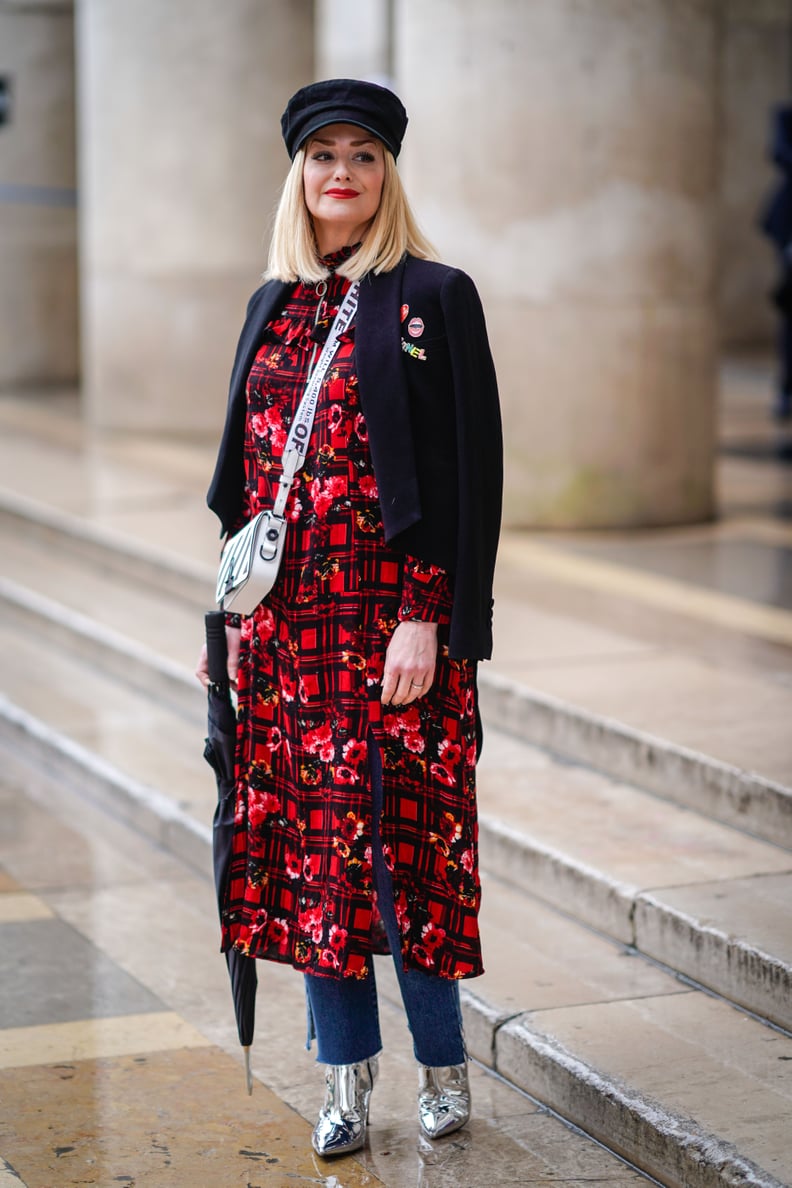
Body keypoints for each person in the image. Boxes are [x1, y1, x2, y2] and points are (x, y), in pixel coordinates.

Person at [196, 77, 502, 1158]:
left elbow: (469, 481)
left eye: (363, 157)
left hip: (392, 639)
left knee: (409, 855)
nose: (342, 175)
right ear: (299, 175)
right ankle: (342, 1079)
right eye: (323, 156)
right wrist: (230, 622)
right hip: (288, 642)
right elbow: (246, 491)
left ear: (388, 174)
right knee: (313, 865)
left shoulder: (434, 296)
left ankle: (441, 1065)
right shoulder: (269, 307)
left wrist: (431, 617)